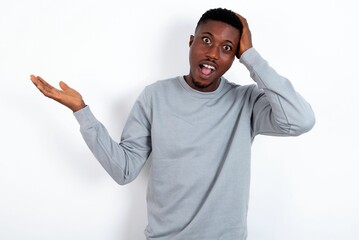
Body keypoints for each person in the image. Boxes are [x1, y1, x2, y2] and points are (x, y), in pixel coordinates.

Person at [30, 8, 315, 240]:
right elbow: (124, 170)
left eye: (227, 48)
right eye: (206, 40)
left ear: (235, 57)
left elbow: (300, 120)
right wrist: (81, 111)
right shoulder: (155, 96)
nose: (213, 53)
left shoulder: (246, 102)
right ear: (191, 42)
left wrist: (252, 57)